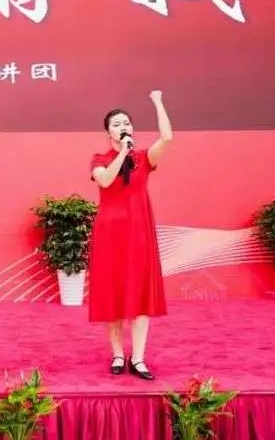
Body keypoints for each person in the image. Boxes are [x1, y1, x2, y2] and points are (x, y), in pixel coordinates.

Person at [88, 90, 173, 381]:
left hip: (138, 233)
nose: (123, 126)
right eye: (117, 124)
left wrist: (158, 102)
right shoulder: (100, 158)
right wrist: (123, 152)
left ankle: (138, 357)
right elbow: (106, 180)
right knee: (113, 293)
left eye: (126, 122)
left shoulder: (144, 158)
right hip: (110, 233)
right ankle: (117, 354)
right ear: (108, 132)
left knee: (140, 294)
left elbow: (167, 138)